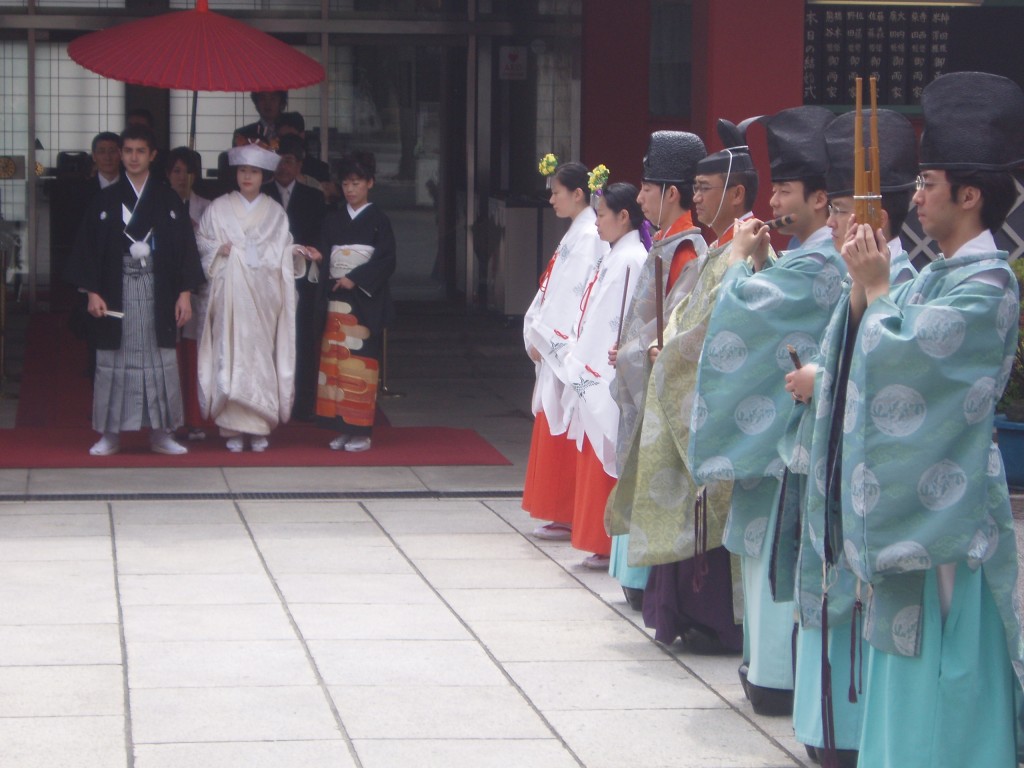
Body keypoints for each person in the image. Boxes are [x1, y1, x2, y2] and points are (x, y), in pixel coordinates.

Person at [837, 71, 1024, 768]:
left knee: (948, 671)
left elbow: (911, 364)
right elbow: (871, 341)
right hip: (919, 499)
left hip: (950, 509)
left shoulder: (989, 285)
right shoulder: (942, 275)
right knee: (913, 660)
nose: (914, 197)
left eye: (926, 183)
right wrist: (867, 292)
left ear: (969, 196)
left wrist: (880, 291)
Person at [688, 105, 844, 716]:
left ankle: (776, 677)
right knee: (761, 562)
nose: (774, 200)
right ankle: (769, 671)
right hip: (779, 436)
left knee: (773, 563)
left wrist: (736, 264)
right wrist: (757, 260)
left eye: (784, 189)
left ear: (819, 199)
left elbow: (750, 310)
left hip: (788, 443)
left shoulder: (821, 261)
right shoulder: (810, 258)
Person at [777, 108, 918, 766]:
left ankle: (848, 735)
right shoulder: (863, 285)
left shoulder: (907, 285)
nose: (832, 224)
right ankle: (827, 730)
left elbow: (896, 383)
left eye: (841, 211)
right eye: (830, 211)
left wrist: (820, 379)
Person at [611, 121, 759, 653]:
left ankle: (710, 617)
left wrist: (657, 353)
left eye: (705, 189)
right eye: (692, 188)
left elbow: (707, 329)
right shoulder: (714, 250)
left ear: (735, 194)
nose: (697, 199)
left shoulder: (708, 253)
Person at [605, 130, 707, 593]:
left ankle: (645, 578)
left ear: (671, 193)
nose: (641, 196)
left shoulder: (688, 250)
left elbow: (677, 325)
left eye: (647, 188)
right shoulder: (668, 241)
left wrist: (629, 352)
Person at [65, 124, 204, 457]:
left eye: (140, 151)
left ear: (153, 156)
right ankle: (110, 434)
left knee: (160, 362)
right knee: (113, 362)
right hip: (116, 291)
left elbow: (185, 248)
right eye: (127, 151)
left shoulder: (168, 199)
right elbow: (88, 249)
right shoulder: (105, 200)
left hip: (158, 292)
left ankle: (161, 433)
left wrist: (185, 293)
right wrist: (91, 292)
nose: (132, 157)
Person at [196, 142, 320, 452]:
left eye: (253, 171)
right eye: (242, 171)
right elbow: (202, 243)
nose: (247, 177)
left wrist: (295, 253)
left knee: (261, 356)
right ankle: (233, 429)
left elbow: (282, 250)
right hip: (231, 295)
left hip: (264, 296)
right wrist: (217, 251)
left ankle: (260, 425)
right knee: (232, 353)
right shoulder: (218, 208)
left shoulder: (275, 212)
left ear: (263, 175)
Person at [558, 179, 648, 568]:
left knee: (608, 448)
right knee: (597, 451)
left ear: (624, 216)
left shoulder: (631, 258)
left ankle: (608, 541)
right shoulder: (618, 253)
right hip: (596, 359)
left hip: (608, 365)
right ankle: (598, 539)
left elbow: (622, 316)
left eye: (603, 215)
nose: (597, 224)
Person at [521, 160, 608, 550]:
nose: (551, 198)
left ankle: (567, 511)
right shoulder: (582, 229)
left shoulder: (589, 233)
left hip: (567, 342)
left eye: (557, 192)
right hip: (558, 336)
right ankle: (561, 510)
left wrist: (548, 336)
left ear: (579, 194)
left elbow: (574, 294)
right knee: (557, 420)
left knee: (567, 422)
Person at [315, 150, 396, 452]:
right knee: (334, 365)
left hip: (363, 304)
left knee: (359, 366)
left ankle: (361, 430)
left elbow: (387, 260)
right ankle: (340, 427)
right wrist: (320, 259)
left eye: (357, 183)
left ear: (370, 183)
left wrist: (356, 278)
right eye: (346, 183)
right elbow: (326, 253)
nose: (350, 189)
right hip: (336, 300)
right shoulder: (333, 219)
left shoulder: (379, 220)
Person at [264, 134, 328, 421]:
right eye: (277, 160)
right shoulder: (261, 195)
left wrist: (307, 252)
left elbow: (320, 235)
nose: (282, 166)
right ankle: (269, 400)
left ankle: (302, 403)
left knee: (301, 337)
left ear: (300, 165)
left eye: (289, 160)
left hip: (301, 278)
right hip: (267, 277)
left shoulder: (313, 197)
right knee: (267, 339)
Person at [166, 146, 213, 443]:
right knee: (169, 356)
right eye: (176, 171)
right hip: (167, 289)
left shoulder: (208, 208)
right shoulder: (158, 205)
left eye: (188, 171)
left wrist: (197, 233)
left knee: (195, 356)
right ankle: (170, 419)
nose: (182, 177)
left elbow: (215, 248)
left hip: (198, 289)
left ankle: (196, 419)